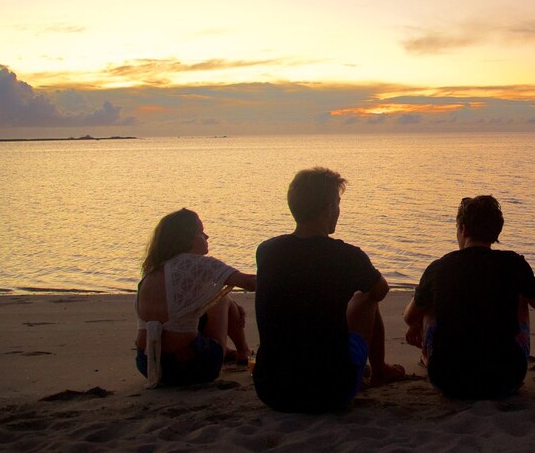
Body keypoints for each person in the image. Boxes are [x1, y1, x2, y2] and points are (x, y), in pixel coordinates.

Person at [253, 167, 405, 413]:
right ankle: (379, 370)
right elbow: (381, 290)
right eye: (337, 203)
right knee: (367, 295)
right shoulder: (346, 256)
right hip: (331, 391)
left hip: (271, 390)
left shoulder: (267, 251)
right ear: (328, 208)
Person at [404, 196, 535, 399]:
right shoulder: (514, 264)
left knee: (427, 304)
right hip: (507, 377)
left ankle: (428, 357)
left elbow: (410, 317)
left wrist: (414, 324)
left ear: (463, 229)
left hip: (447, 380)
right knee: (522, 294)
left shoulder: (440, 268)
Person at [134, 209, 256, 388]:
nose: (207, 236)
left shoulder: (154, 270)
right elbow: (249, 283)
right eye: (200, 232)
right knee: (221, 298)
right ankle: (242, 351)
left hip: (148, 366)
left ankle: (235, 351)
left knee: (216, 298)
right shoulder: (196, 264)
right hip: (191, 367)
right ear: (186, 238)